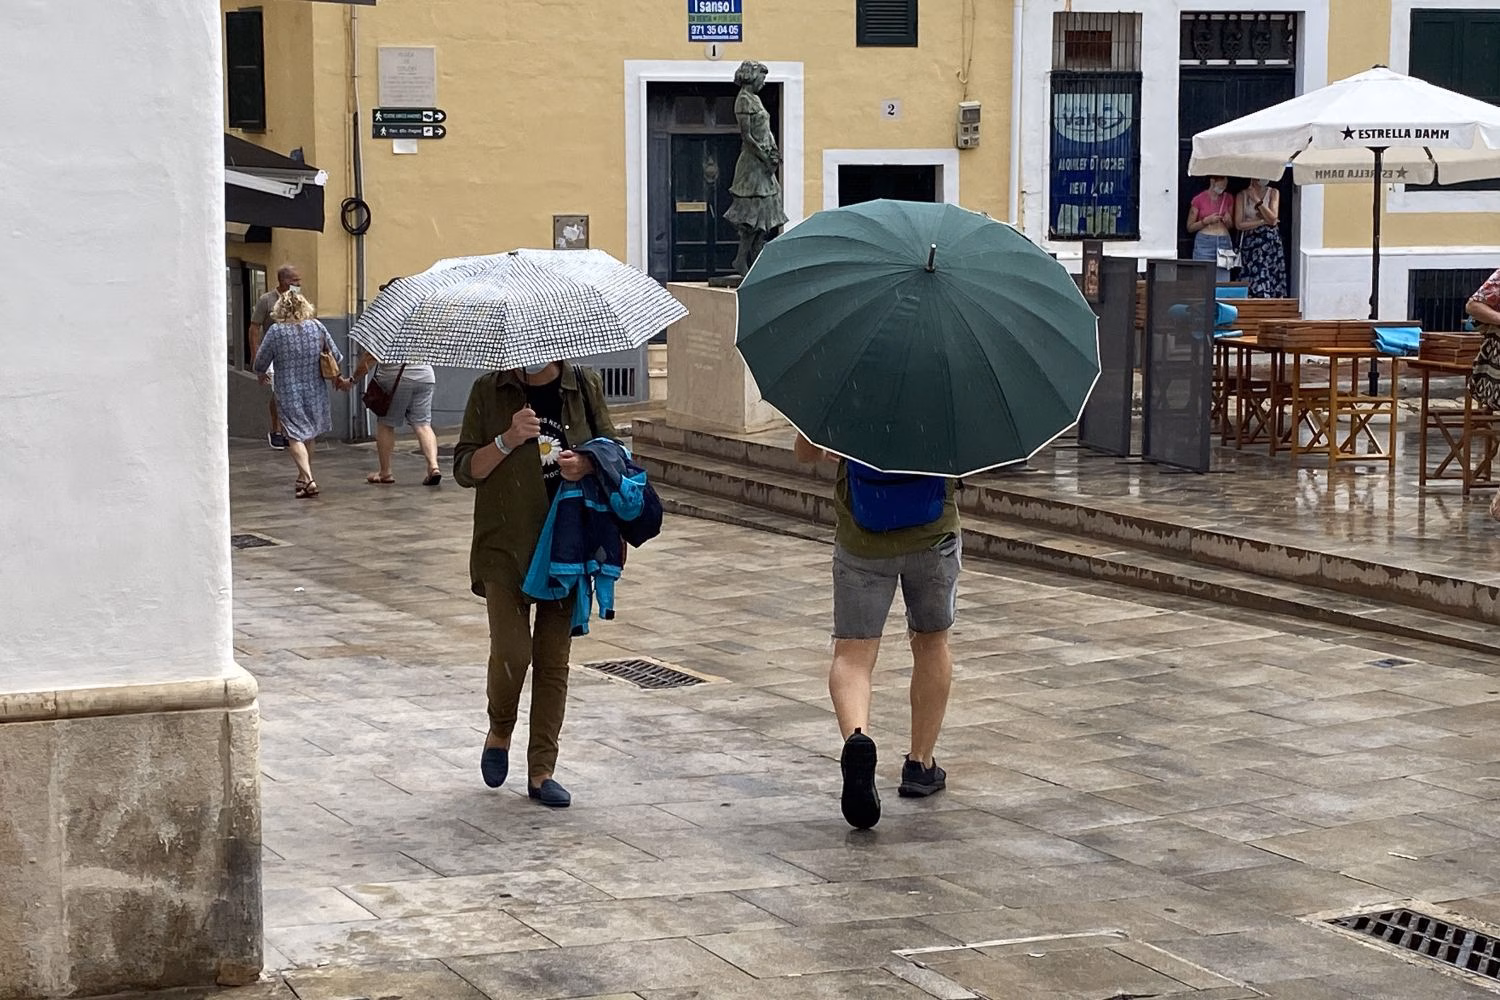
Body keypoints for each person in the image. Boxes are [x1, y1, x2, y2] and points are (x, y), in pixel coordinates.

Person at [453, 359, 617, 809]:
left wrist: (586, 463)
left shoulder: (583, 385)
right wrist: (507, 440)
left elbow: (613, 454)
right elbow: (466, 468)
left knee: (552, 661)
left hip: (567, 545)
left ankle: (542, 770)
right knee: (512, 652)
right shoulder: (489, 389)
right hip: (503, 544)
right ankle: (500, 728)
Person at [793, 435, 961, 831]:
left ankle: (857, 738)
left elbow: (804, 455)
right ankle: (920, 764)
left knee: (852, 654)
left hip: (862, 539)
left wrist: (834, 443)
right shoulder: (945, 386)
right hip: (933, 534)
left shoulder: (850, 386)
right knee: (931, 642)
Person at [252, 286, 342, 498]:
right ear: (305, 307)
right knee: (308, 434)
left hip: (288, 389)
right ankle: (303, 477)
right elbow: (336, 355)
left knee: (294, 435)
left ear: (279, 309)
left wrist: (260, 371)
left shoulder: (276, 331)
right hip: (315, 388)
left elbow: (261, 361)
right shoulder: (317, 327)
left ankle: (307, 479)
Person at [725, 60, 788, 276]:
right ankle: (740, 260)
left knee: (767, 214)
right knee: (752, 216)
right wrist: (764, 157)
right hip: (752, 166)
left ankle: (757, 260)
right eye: (762, 77)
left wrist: (774, 153)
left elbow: (766, 130)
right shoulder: (743, 100)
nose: (763, 82)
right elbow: (748, 137)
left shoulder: (756, 99)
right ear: (751, 76)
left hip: (764, 166)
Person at [347, 346, 442, 486]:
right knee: (423, 424)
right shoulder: (420, 329)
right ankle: (433, 467)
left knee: (386, 424)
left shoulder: (386, 329)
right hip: (425, 376)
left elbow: (370, 358)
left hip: (395, 378)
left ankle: (385, 472)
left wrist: (352, 380)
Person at [248, 265, 300, 449]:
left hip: (292, 353)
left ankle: (288, 430)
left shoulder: (297, 299)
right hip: (272, 352)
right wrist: (256, 355)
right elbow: (254, 328)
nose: (298, 283)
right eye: (294, 280)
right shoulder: (267, 300)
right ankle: (276, 430)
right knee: (278, 392)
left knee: (290, 392)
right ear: (283, 280)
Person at [1236, 178, 1288, 298]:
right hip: (1251, 243)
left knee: (1270, 273)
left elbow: (1273, 219)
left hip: (1270, 242)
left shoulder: (1273, 192)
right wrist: (1261, 221)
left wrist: (1257, 201)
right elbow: (1239, 224)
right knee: (1254, 273)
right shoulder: (1242, 195)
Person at [1187, 176, 1236, 283]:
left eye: (1225, 186)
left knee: (1223, 277)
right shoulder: (1198, 199)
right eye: (1221, 185)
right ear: (1212, 181)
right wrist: (1206, 221)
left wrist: (1228, 221)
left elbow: (1231, 225)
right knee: (1202, 278)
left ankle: (1220, 298)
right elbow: (1190, 227)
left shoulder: (1228, 198)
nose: (1223, 188)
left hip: (1223, 240)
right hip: (1205, 240)